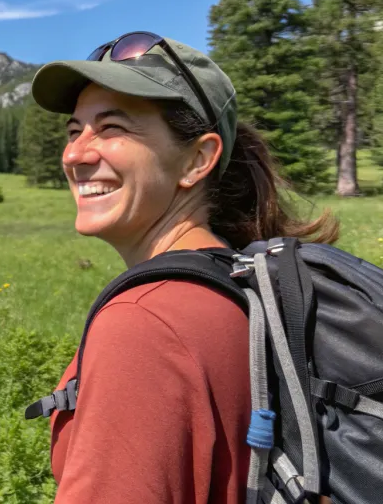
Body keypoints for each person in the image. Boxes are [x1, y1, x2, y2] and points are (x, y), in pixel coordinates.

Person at [29, 32, 339, 503]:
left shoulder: (145, 324)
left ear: (197, 160)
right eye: (75, 131)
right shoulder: (238, 279)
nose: (75, 154)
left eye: (112, 128)